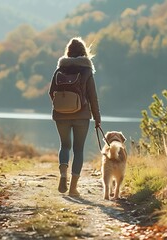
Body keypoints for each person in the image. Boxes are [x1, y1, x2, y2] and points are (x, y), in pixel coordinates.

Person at [49, 37, 101, 197]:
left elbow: (51, 92)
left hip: (60, 115)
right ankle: (73, 188)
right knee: (78, 150)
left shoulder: (59, 70)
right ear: (84, 52)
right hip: (82, 116)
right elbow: (93, 97)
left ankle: (63, 175)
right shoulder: (86, 71)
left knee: (65, 146)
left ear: (68, 52)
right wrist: (97, 118)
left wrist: (62, 106)